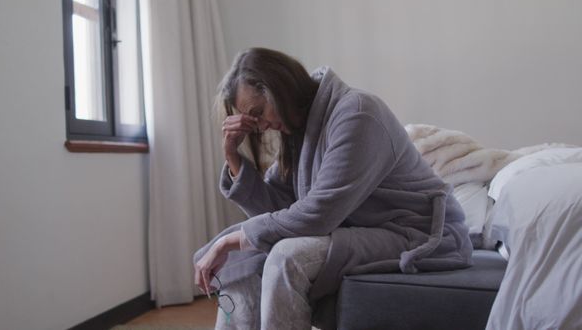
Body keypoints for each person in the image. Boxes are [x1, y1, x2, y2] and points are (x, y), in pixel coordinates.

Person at [193, 47, 473, 330]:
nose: (263, 126)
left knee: (285, 256)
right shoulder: (298, 130)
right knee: (247, 252)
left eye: (259, 113)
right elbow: (277, 212)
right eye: (254, 123)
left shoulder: (358, 114)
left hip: (417, 231)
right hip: (361, 229)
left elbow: (318, 215)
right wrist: (233, 157)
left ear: (278, 88)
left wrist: (228, 241)